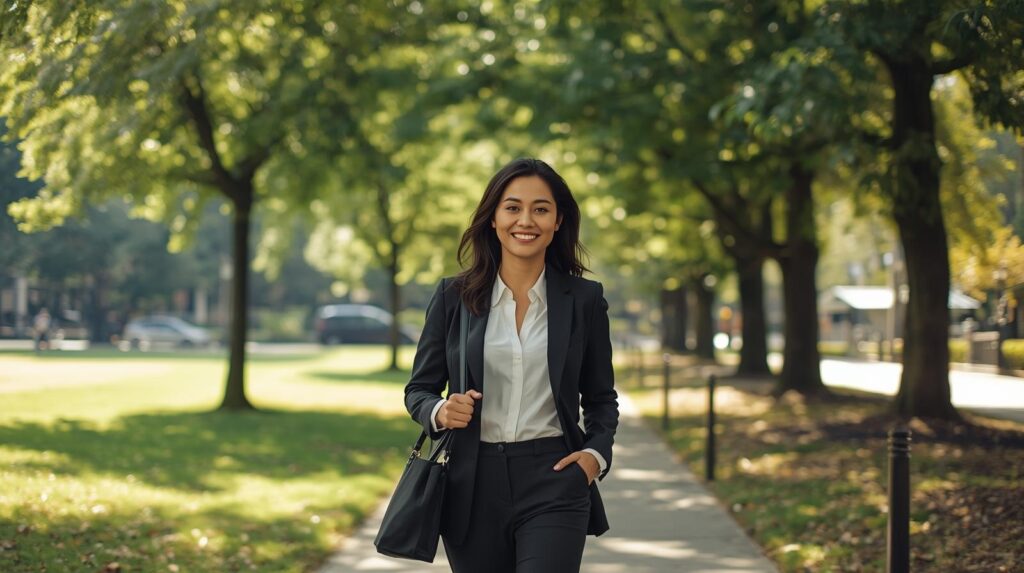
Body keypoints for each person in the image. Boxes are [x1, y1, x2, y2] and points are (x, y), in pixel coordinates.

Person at [404, 158, 619, 573]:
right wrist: (440, 411)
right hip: (471, 483)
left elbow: (600, 397)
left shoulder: (585, 300)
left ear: (558, 221)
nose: (526, 220)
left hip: (555, 477)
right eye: (513, 207)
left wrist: (595, 455)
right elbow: (419, 389)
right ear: (493, 218)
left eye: (541, 208)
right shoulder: (454, 296)